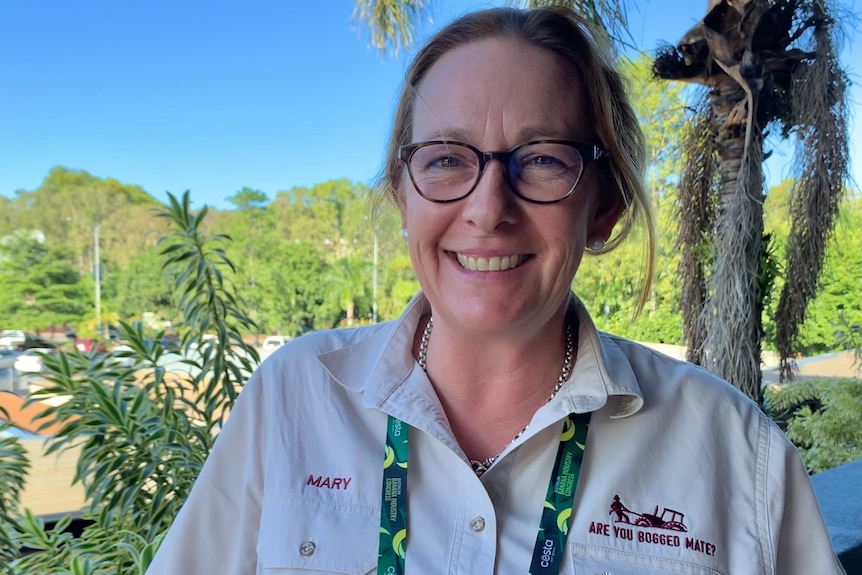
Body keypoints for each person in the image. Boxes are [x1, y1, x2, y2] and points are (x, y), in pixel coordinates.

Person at [146, 6, 845, 575]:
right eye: (447, 159)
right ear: (404, 196)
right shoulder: (292, 399)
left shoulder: (735, 454)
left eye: (541, 160)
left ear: (603, 208)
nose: (488, 209)